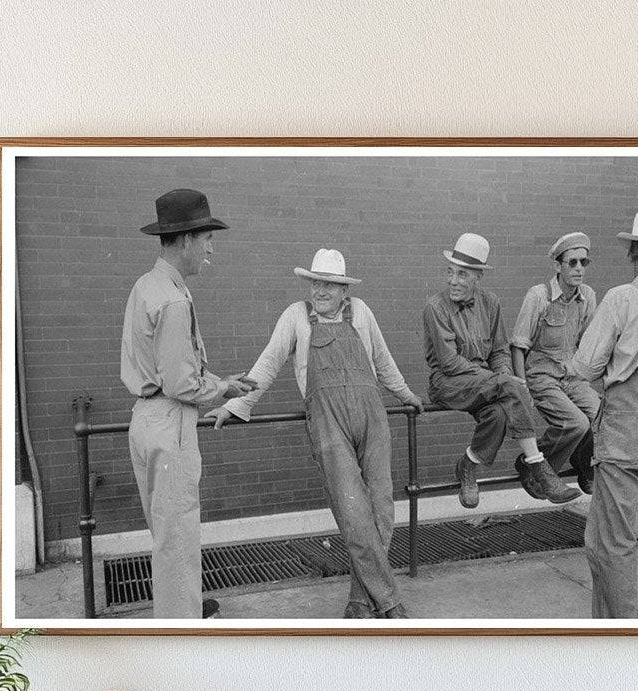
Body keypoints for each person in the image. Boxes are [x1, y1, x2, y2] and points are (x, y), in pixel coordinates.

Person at [207, 249, 424, 620]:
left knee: (382, 512)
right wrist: (236, 405)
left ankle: (360, 602)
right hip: (328, 424)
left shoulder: (363, 312)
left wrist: (406, 396)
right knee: (355, 514)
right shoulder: (295, 316)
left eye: (329, 284)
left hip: (373, 418)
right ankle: (389, 601)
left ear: (344, 290)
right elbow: (269, 362)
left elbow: (383, 362)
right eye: (315, 283)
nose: (320, 290)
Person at [121, 188, 256, 620]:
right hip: (170, 421)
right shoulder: (175, 300)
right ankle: (182, 629)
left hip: (145, 420)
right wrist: (223, 390)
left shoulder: (147, 285)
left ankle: (180, 612)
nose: (209, 248)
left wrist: (221, 383)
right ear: (184, 240)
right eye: (206, 238)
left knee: (166, 535)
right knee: (178, 538)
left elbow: (167, 371)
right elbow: (181, 384)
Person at [422, 232, 581, 509]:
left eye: (462, 275)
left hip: (485, 382)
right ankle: (537, 465)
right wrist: (503, 381)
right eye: (451, 273)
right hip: (448, 382)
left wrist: (503, 376)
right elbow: (448, 363)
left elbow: (498, 352)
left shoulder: (491, 302)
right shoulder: (435, 307)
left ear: (477, 277)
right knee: (510, 386)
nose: (453, 281)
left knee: (496, 414)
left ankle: (468, 465)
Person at [570, 208, 638, 619]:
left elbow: (583, 367)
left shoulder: (624, 297)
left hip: (626, 433)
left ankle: (622, 638)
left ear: (634, 253)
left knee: (613, 542)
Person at [510, 231, 599, 493]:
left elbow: (587, 344)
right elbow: (518, 345)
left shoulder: (588, 297)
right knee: (576, 423)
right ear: (558, 265)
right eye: (572, 262)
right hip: (542, 376)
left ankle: (582, 463)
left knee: (600, 417)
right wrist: (521, 386)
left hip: (572, 376)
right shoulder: (538, 296)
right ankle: (534, 467)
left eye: (584, 262)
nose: (579, 268)